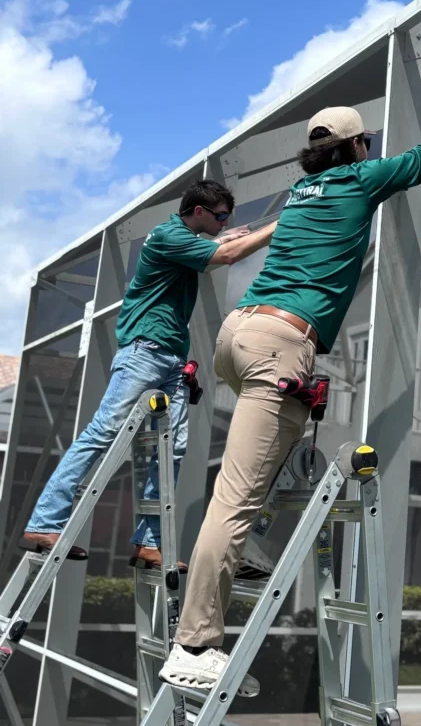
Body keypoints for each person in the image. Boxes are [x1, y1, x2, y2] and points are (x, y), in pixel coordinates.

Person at [159, 98, 421, 694]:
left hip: (238, 336)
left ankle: (248, 547)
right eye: (367, 144)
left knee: (278, 447)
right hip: (281, 342)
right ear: (358, 146)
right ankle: (194, 644)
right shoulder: (360, 178)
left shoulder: (306, 193)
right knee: (233, 497)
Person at [23, 180, 277, 571]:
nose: (226, 221)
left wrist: (223, 236)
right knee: (103, 434)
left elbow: (218, 248)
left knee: (172, 449)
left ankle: (149, 543)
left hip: (173, 359)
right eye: (221, 216)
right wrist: (277, 226)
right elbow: (227, 257)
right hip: (145, 351)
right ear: (198, 212)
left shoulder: (186, 236)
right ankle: (45, 523)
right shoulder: (167, 236)